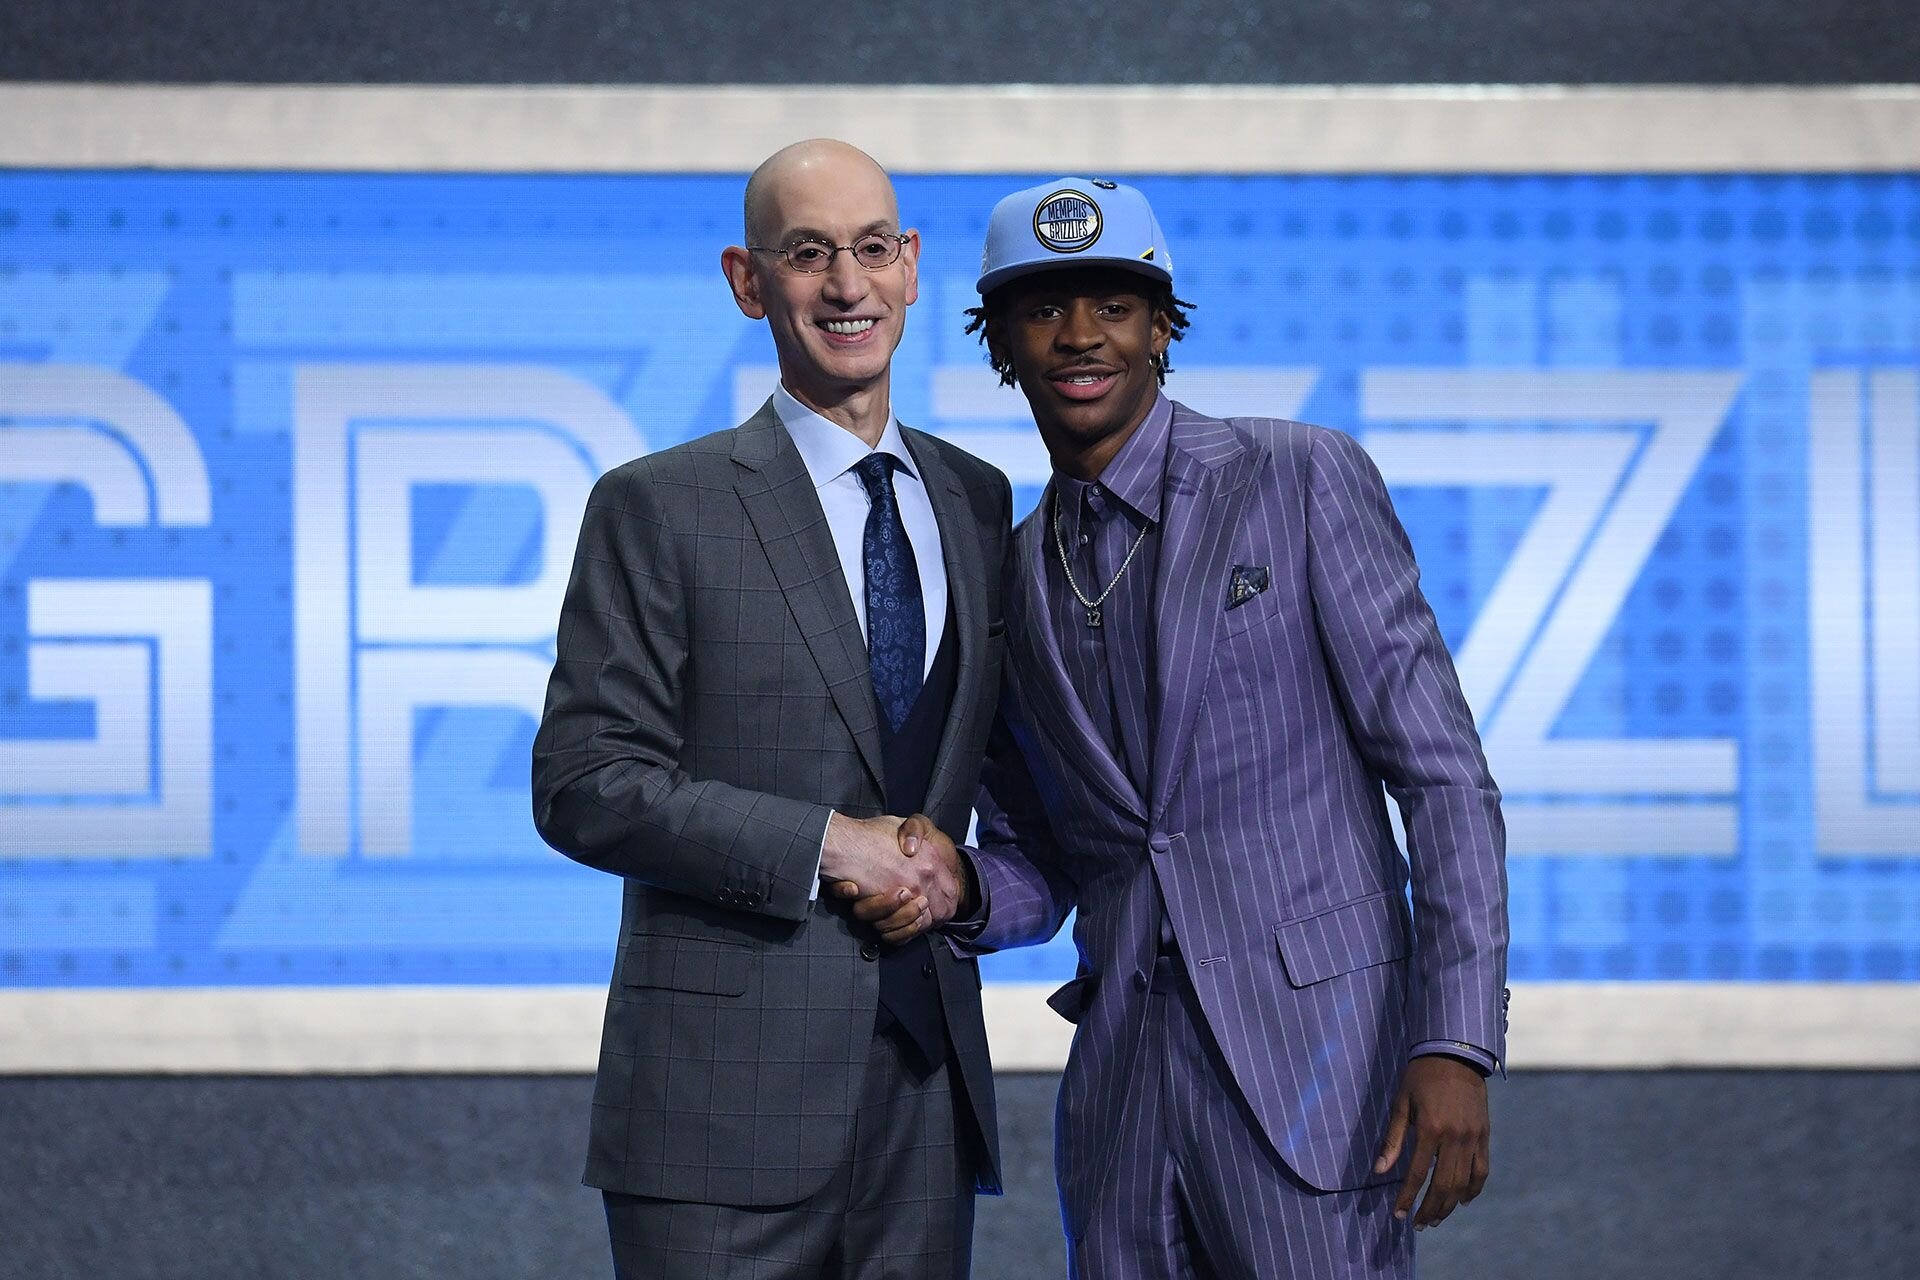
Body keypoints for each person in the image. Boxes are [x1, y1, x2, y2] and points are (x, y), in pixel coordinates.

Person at [856, 177, 1509, 1278]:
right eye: (1044, 308)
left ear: (1162, 324)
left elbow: (1443, 779)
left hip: (1323, 1072)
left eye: (1113, 304)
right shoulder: (1006, 569)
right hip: (1121, 1096)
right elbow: (1046, 856)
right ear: (1001, 339)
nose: (1079, 336)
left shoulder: (1299, 476)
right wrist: (958, 885)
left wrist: (1452, 1040)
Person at [532, 138, 1005, 1280]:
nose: (847, 286)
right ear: (748, 281)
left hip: (923, 1109)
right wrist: (826, 842)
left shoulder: (979, 501)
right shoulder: (659, 504)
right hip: (714, 1126)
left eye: (872, 249)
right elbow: (585, 779)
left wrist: (970, 878)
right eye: (808, 254)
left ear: (913, 266)